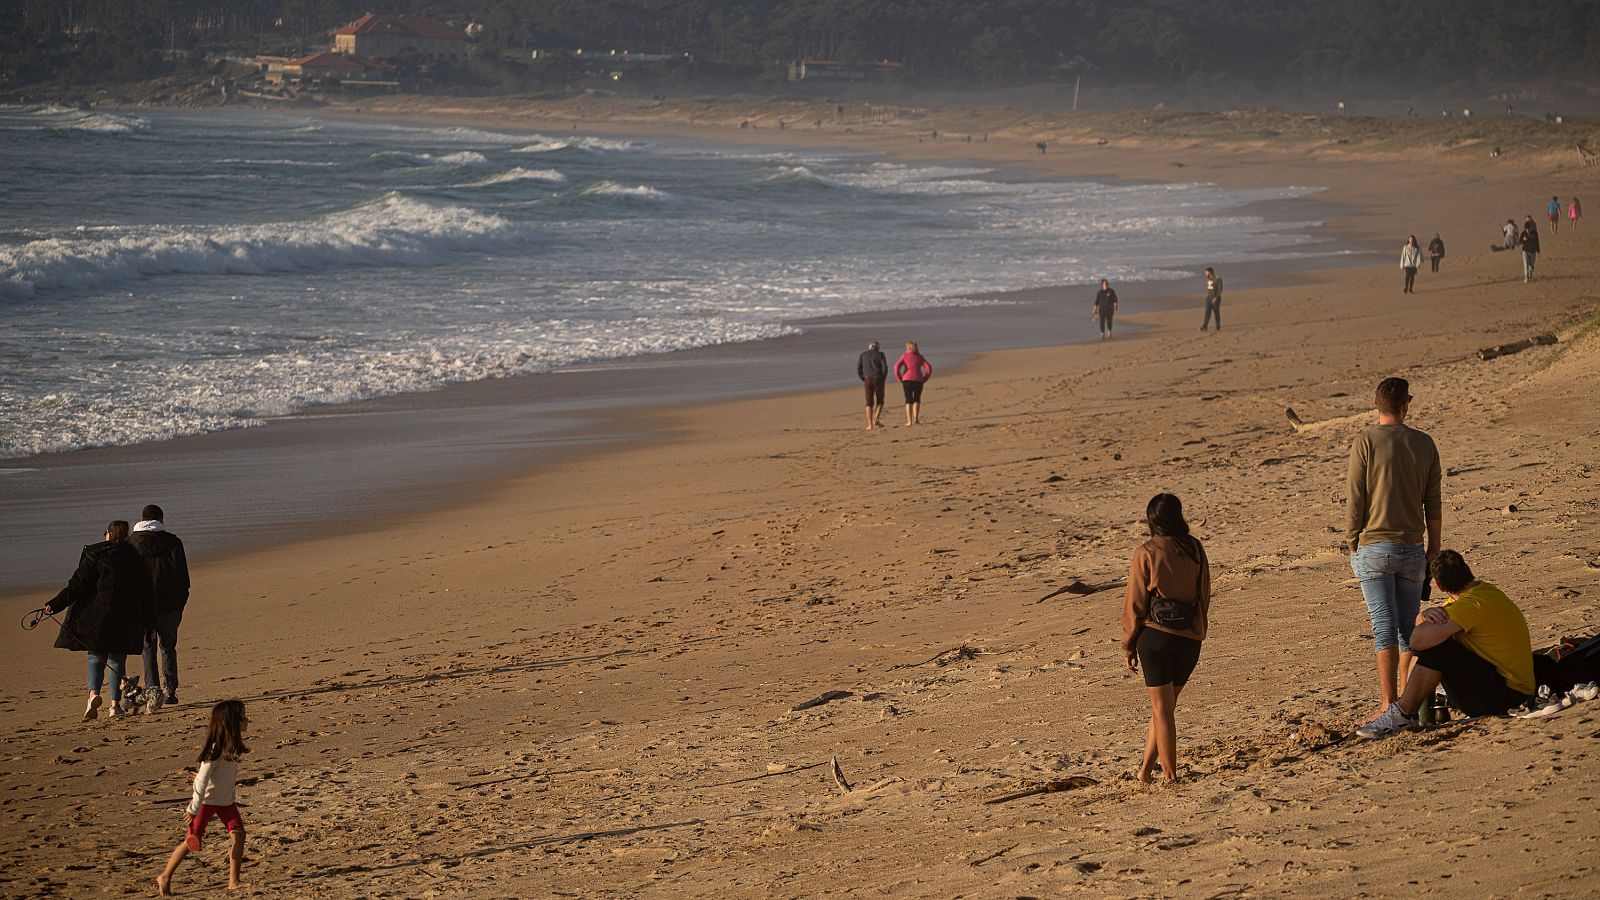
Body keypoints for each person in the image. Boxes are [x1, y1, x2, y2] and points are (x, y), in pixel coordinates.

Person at [1346, 377, 1442, 724]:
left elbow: (1356, 497)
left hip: (1374, 547)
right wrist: (1435, 546)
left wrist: (1351, 540)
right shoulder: (1425, 444)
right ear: (1406, 406)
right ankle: (1410, 704)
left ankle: (1389, 705)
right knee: (1407, 629)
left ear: (1377, 406)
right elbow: (1433, 502)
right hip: (1413, 548)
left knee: (1383, 626)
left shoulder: (1366, 442)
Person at [1357, 551, 1534, 738]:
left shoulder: (1471, 605)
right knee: (1436, 639)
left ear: (1440, 586)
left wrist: (1423, 619)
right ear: (1467, 571)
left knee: (1436, 647)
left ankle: (1403, 712)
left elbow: (1416, 641)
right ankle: (1406, 709)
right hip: (1512, 690)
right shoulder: (1485, 593)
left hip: (1507, 699)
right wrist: (1423, 616)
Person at [1122, 494, 1212, 784]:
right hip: (1190, 638)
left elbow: (1135, 604)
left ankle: (1170, 775)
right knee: (1165, 708)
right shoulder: (1194, 548)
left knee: (1162, 710)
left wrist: (1128, 644)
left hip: (1156, 639)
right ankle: (1145, 771)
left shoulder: (1146, 552)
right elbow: (1204, 592)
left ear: (1152, 520)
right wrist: (1198, 629)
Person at [42, 520, 155, 721]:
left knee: (95, 657)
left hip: (97, 617)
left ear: (109, 535)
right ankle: (115, 706)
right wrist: (150, 621)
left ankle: (93, 695)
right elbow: (146, 591)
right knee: (117, 660)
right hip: (126, 618)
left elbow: (76, 586)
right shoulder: (136, 558)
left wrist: (54, 605)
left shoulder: (96, 555)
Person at [157, 700, 251, 894]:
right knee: (192, 841)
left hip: (226, 803)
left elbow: (213, 777)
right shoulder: (215, 749)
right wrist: (193, 808)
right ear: (231, 722)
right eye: (242, 717)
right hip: (206, 803)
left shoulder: (232, 747)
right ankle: (165, 876)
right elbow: (201, 781)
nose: (247, 720)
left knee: (239, 836)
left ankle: (234, 881)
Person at [131, 504, 189, 710]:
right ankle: (170, 689)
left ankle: (152, 688)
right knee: (168, 647)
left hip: (142, 606)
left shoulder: (131, 543)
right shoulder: (173, 542)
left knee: (148, 647)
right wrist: (180, 602)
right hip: (169, 604)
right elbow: (183, 577)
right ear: (161, 520)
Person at [893, 341, 932, 427]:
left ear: (909, 348)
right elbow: (928, 367)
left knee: (908, 399)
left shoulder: (904, 356)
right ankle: (916, 419)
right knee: (917, 399)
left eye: (907, 347)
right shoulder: (920, 357)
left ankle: (909, 421)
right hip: (918, 380)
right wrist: (925, 378)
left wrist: (899, 378)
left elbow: (896, 367)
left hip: (907, 380)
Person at [856, 341, 888, 430]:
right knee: (880, 400)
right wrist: (883, 378)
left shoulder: (863, 355)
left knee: (869, 402)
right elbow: (885, 367)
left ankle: (870, 424)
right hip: (878, 378)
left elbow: (859, 369)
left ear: (869, 347)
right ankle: (876, 419)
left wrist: (863, 378)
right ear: (878, 347)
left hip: (867, 379)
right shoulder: (881, 354)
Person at [1518, 216, 1540, 282]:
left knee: (1531, 265)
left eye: (1528, 228)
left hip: (1533, 251)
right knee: (1525, 265)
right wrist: (1523, 240)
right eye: (1526, 229)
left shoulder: (1535, 233)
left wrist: (1538, 250)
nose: (1527, 230)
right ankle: (1526, 278)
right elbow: (1520, 242)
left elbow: (1537, 242)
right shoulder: (1523, 233)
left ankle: (1530, 274)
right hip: (1525, 250)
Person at [1200, 267, 1222, 332]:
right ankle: (1205, 326)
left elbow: (1220, 289)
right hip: (1209, 298)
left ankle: (1218, 326)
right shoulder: (1209, 279)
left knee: (1216, 312)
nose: (1205, 273)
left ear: (1209, 272)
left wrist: (1216, 297)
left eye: (1206, 272)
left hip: (1216, 298)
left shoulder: (1218, 279)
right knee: (1207, 312)